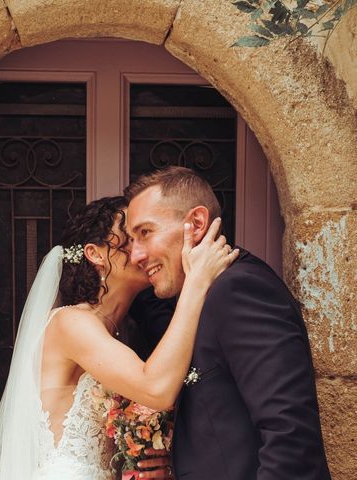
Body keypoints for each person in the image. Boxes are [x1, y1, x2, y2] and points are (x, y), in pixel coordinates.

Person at [0, 195, 239, 480]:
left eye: (145, 236)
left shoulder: (121, 334)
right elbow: (156, 388)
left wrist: (152, 459)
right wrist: (197, 282)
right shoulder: (70, 323)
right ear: (95, 253)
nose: (141, 251)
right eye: (129, 238)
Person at [125, 166, 332, 480]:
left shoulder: (238, 290)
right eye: (130, 240)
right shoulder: (201, 296)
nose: (136, 255)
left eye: (145, 233)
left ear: (195, 223)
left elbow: (290, 437)